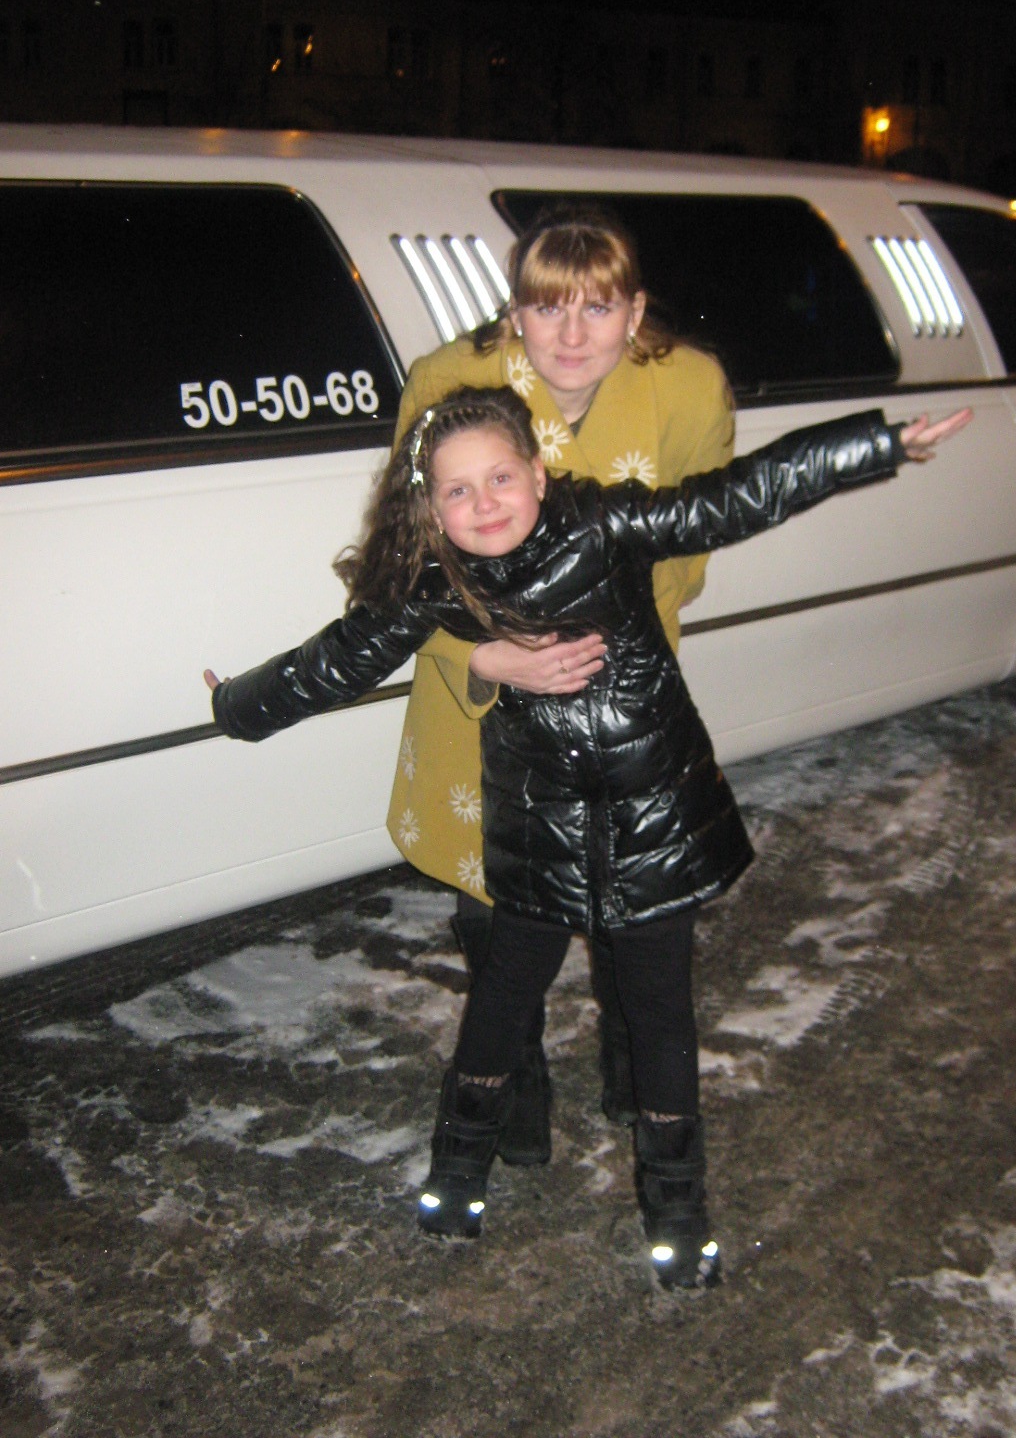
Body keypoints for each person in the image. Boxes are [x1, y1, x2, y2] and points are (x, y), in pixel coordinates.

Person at [208, 384, 971, 1287]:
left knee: (660, 1017)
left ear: (539, 474)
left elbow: (736, 496)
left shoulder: (604, 527)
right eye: (458, 490)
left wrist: (876, 446)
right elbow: (333, 662)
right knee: (501, 1001)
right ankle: (456, 1180)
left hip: (653, 817)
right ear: (432, 508)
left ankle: (679, 1219)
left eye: (501, 477)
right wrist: (236, 706)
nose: (485, 503)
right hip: (538, 826)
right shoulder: (437, 583)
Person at [390, 207, 736, 1166]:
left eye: (599, 308)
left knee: (639, 903)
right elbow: (403, 561)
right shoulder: (449, 383)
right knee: (500, 905)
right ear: (515, 310)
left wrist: (605, 656)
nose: (573, 336)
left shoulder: (688, 386)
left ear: (636, 311)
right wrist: (485, 656)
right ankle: (513, 1100)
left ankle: (639, 1083)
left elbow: (690, 548)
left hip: (620, 701)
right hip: (484, 696)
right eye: (548, 309)